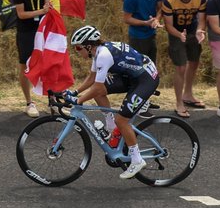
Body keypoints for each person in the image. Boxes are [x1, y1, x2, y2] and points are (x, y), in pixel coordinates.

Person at [68, 25, 160, 180]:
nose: (77, 52)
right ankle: (111, 127)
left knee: (122, 120)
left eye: (78, 48)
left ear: (88, 46)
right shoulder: (97, 53)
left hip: (145, 79)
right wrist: (75, 92)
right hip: (133, 76)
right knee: (101, 90)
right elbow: (92, 78)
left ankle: (137, 159)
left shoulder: (103, 55)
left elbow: (95, 88)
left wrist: (78, 100)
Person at [11, 0, 53, 116]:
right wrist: (41, 11)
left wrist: (48, 10)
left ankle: (52, 100)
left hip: (42, 28)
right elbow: (21, 14)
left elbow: (47, 6)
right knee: (25, 66)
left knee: (48, 64)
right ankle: (29, 102)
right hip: (26, 30)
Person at [161, 0, 207, 117]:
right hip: (176, 32)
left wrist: (200, 31)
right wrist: (179, 35)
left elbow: (201, 19)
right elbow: (168, 26)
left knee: (194, 62)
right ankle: (179, 102)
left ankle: (188, 95)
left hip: (192, 30)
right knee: (181, 66)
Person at [122, 0, 165, 66]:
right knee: (138, 67)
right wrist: (145, 23)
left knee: (151, 66)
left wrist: (157, 20)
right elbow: (127, 19)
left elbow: (161, 8)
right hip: (137, 37)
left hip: (151, 34)